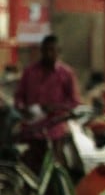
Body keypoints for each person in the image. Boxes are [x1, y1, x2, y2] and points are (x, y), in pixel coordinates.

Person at [14, 34, 81, 174]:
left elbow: (74, 102)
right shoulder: (30, 72)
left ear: (58, 51)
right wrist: (22, 109)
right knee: (30, 172)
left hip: (54, 132)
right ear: (41, 51)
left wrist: (54, 108)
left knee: (53, 172)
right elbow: (19, 97)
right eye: (46, 50)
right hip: (31, 131)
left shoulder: (66, 74)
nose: (49, 54)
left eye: (52, 50)